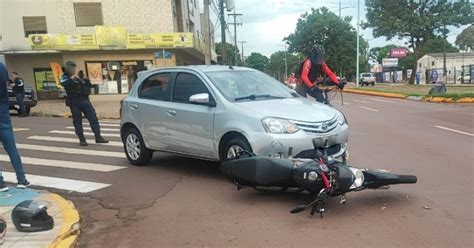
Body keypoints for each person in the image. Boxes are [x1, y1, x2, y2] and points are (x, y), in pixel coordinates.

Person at [60, 61, 108, 146]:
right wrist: (72, 78)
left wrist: (85, 79)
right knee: (77, 121)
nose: (73, 69)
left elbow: (90, 86)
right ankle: (82, 139)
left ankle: (98, 137)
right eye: (71, 67)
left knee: (93, 117)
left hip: (85, 100)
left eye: (74, 67)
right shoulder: (65, 76)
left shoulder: (80, 77)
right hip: (74, 101)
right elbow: (63, 83)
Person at [0, 62, 30, 191]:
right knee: (11, 148)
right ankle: (21, 179)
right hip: (2, 110)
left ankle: (1, 183)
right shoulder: (1, 66)